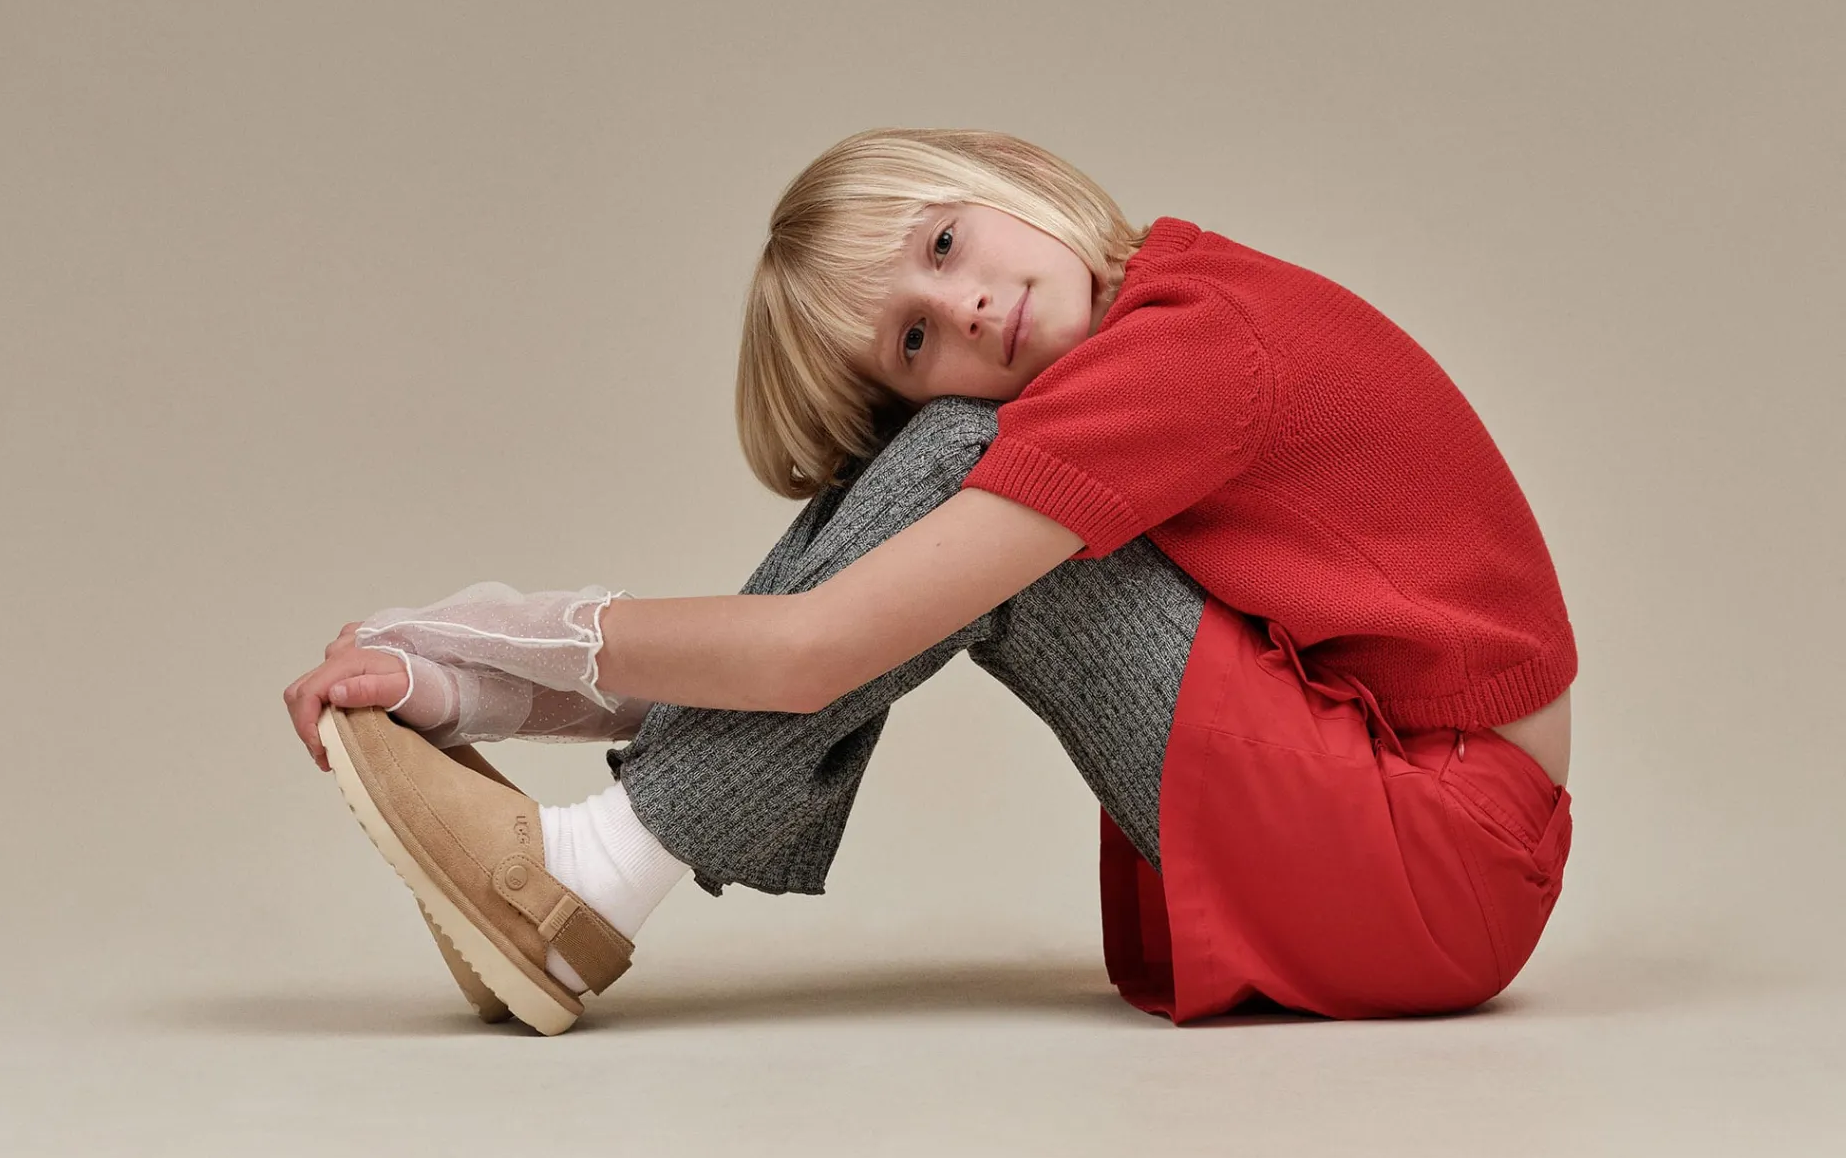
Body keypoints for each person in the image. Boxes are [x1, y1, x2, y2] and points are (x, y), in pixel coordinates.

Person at [283, 127, 1575, 1035]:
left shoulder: (1188, 349)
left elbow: (812, 650)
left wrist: (483, 640)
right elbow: (833, 631)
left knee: (965, 463)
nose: (963, 307)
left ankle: (588, 875)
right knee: (962, 484)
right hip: (1412, 827)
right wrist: (460, 682)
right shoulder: (1159, 318)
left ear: (1011, 175)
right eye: (911, 338)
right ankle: (583, 869)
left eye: (945, 242)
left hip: (1436, 855)